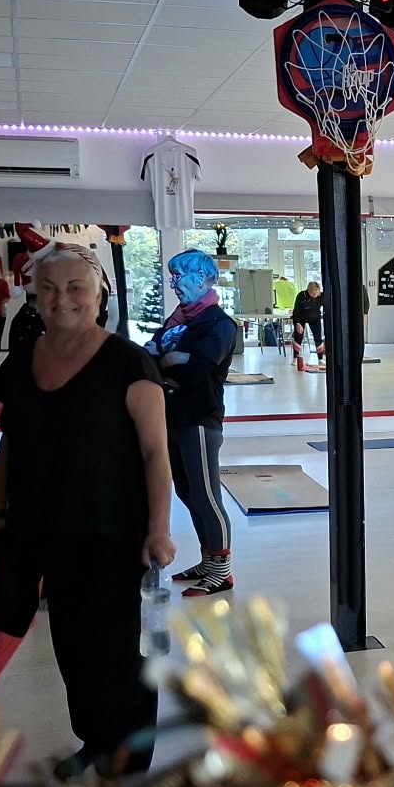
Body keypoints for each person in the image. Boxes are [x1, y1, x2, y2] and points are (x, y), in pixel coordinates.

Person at [0, 243, 173, 779]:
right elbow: (10, 443)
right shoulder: (23, 359)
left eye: (74, 288)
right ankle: (95, 740)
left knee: (121, 655)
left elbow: (156, 454)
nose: (61, 299)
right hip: (42, 531)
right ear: (33, 297)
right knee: (70, 648)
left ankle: (129, 766)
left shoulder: (129, 364)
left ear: (99, 295)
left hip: (114, 534)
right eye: (48, 289)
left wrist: (159, 530)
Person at [149, 250, 237, 597]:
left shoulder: (219, 324)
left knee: (206, 494)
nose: (173, 283)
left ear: (201, 279)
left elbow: (199, 366)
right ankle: (208, 559)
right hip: (172, 415)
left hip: (200, 418)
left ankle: (222, 571)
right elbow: (153, 352)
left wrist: (171, 359)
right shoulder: (178, 320)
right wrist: (170, 358)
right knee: (187, 492)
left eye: (179, 276)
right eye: (172, 276)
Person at [290, 280, 324, 369]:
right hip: (301, 318)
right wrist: (297, 323)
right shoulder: (301, 296)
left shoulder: (321, 296)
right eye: (313, 293)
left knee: (318, 337)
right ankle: (295, 358)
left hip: (315, 318)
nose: (315, 295)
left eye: (317, 293)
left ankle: (320, 358)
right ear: (308, 290)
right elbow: (296, 311)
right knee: (298, 336)